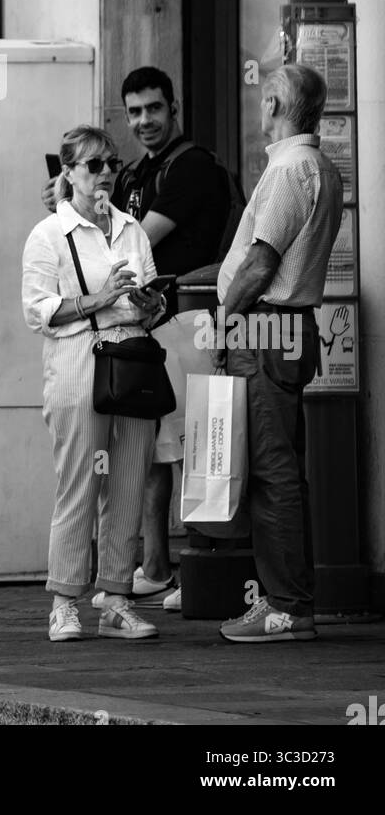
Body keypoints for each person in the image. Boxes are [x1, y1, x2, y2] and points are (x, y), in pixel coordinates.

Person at [42, 67, 230, 610]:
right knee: (153, 456)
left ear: (174, 107)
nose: (144, 120)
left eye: (153, 108)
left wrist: (79, 223)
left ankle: (195, 568)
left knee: (190, 449)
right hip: (148, 325)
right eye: (134, 112)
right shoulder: (139, 170)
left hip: (187, 316)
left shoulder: (191, 166)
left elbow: (133, 241)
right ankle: (154, 568)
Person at [214, 65, 342, 642]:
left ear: (271, 103)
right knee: (282, 468)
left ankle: (286, 606)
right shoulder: (317, 166)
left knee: (271, 472)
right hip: (286, 327)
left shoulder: (291, 169)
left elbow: (262, 264)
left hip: (265, 329)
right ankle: (287, 601)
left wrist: (223, 325)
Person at [23, 125, 166, 642]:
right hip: (79, 363)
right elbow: (38, 311)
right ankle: (64, 600)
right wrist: (101, 298)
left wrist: (153, 305)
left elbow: (149, 302)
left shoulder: (132, 230)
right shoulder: (48, 235)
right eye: (93, 165)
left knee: (129, 483)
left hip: (131, 360)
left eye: (111, 163)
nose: (105, 172)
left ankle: (116, 598)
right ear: (69, 174)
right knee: (79, 485)